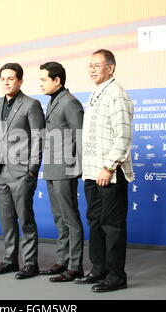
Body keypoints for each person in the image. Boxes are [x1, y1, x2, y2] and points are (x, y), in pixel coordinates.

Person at [74, 49, 134, 292]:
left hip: (109, 173)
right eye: (90, 65)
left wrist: (108, 167)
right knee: (96, 223)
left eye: (97, 65)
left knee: (112, 225)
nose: (92, 69)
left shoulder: (117, 94)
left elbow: (123, 136)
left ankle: (116, 276)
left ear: (111, 67)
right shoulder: (96, 94)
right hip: (91, 173)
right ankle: (98, 270)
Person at [0, 63, 45, 279]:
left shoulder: (31, 104)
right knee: (6, 220)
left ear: (20, 81)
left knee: (25, 219)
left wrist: (32, 169)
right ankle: (9, 261)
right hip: (0, 171)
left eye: (11, 78)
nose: (6, 82)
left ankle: (30, 264)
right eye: (3, 78)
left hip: (22, 172)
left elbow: (39, 137)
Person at [38, 62, 85, 282]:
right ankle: (63, 260)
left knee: (70, 219)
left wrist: (78, 170)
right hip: (51, 169)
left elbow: (81, 139)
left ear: (57, 80)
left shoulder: (70, 103)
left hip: (65, 171)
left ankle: (75, 266)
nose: (40, 84)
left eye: (43, 79)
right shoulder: (53, 102)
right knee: (59, 219)